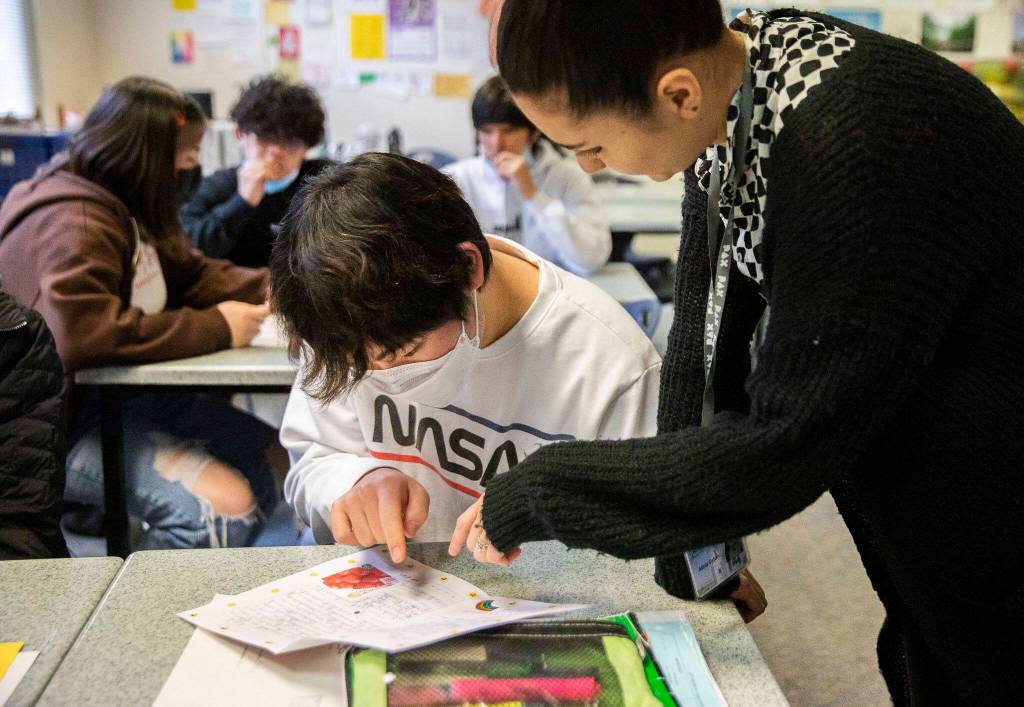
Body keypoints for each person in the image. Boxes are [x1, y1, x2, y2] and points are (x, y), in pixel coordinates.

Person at [449, 2, 1024, 703]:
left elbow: (784, 443)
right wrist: (693, 560)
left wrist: (541, 488)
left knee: (983, 654)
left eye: (589, 144)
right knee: (924, 640)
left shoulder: (849, 141)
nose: (592, 166)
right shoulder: (729, 88)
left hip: (990, 457)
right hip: (907, 430)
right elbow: (701, 340)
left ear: (677, 94)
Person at [274, 153, 764, 621]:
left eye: (402, 354)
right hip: (379, 601)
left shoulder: (609, 364)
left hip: (538, 614)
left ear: (469, 270)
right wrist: (355, 482)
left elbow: (651, 541)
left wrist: (562, 510)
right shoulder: (344, 315)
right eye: (359, 364)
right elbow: (311, 459)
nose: (380, 377)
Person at [0, 76, 283, 550]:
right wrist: (217, 328)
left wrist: (279, 287)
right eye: (186, 157)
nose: (193, 168)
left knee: (270, 454)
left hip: (114, 399)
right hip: (54, 425)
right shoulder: (78, 222)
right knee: (221, 510)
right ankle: (148, 619)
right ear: (148, 161)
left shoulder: (120, 205)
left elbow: (188, 274)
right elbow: (80, 334)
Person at [443, 76, 611, 276]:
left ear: (534, 131)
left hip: (551, 292)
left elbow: (591, 259)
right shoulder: (457, 178)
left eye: (509, 131)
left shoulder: (567, 176)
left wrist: (533, 195)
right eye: (487, 131)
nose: (497, 144)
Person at [181, 75, 331, 267]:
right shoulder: (217, 186)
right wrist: (241, 203)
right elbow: (189, 249)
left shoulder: (325, 180)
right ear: (239, 134)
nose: (275, 152)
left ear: (307, 148)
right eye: (265, 139)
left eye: (290, 143)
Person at [0, 289, 68, 560]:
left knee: (198, 513)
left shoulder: (17, 335)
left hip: (87, 420)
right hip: (91, 418)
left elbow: (19, 521)